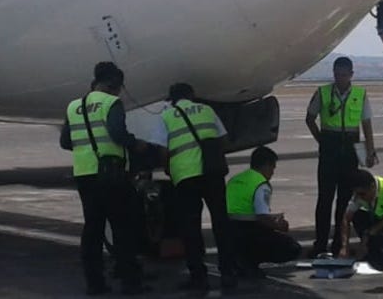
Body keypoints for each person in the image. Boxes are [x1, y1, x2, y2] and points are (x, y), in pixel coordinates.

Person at [60, 61, 149, 295]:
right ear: (113, 84)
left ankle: (95, 283)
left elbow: (65, 142)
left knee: (92, 229)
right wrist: (136, 144)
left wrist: (88, 148)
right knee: (122, 227)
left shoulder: (74, 106)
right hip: (110, 174)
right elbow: (117, 133)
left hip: (84, 174)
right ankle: (130, 281)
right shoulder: (111, 103)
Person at [153, 83, 237, 292]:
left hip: (186, 176)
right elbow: (225, 139)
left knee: (191, 227)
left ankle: (198, 276)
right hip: (212, 173)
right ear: (192, 96)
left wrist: (169, 170)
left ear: (171, 99)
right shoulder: (207, 110)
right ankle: (228, 272)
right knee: (221, 223)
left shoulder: (167, 116)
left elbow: (163, 150)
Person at [305, 56, 376, 256]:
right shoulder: (323, 92)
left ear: (351, 75)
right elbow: (309, 118)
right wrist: (321, 140)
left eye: (344, 75)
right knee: (325, 199)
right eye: (337, 75)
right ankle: (320, 244)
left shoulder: (360, 95)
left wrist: (370, 150)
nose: (340, 79)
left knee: (345, 199)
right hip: (330, 147)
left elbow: (367, 124)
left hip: (350, 149)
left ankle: (338, 244)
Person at [226, 146, 302, 278]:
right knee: (292, 247)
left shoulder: (235, 179)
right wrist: (280, 226)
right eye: (273, 168)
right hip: (248, 233)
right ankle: (250, 262)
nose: (272, 172)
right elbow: (262, 217)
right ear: (266, 166)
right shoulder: (261, 184)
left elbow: (242, 209)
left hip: (229, 232)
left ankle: (238, 259)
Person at [336, 169, 383, 270]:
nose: (360, 198)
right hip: (379, 221)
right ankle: (372, 253)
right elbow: (346, 218)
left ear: (372, 186)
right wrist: (344, 246)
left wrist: (369, 233)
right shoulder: (359, 196)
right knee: (358, 216)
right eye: (357, 194)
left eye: (362, 194)